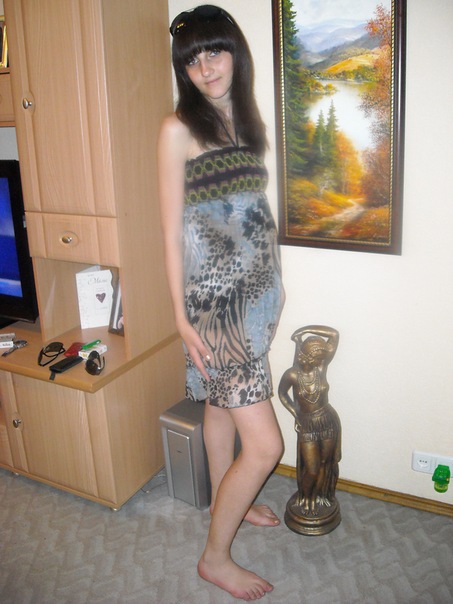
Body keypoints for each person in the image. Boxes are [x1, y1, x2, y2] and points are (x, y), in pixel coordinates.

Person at [157, 5, 284, 600]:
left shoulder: (243, 122)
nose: (205, 67)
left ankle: (227, 503)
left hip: (254, 302)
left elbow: (251, 215)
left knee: (218, 409)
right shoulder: (178, 129)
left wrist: (274, 285)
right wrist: (181, 318)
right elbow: (170, 232)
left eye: (214, 52)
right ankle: (214, 557)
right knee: (265, 446)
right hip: (218, 311)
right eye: (192, 60)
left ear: (235, 52)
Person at [278, 326, 341, 516]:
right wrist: (295, 414)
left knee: (325, 463)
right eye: (317, 358)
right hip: (307, 424)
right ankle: (306, 497)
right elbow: (282, 394)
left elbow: (334, 335)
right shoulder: (292, 375)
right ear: (306, 356)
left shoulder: (320, 368)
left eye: (321, 358)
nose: (321, 361)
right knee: (312, 469)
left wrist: (305, 330)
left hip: (327, 420)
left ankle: (318, 497)